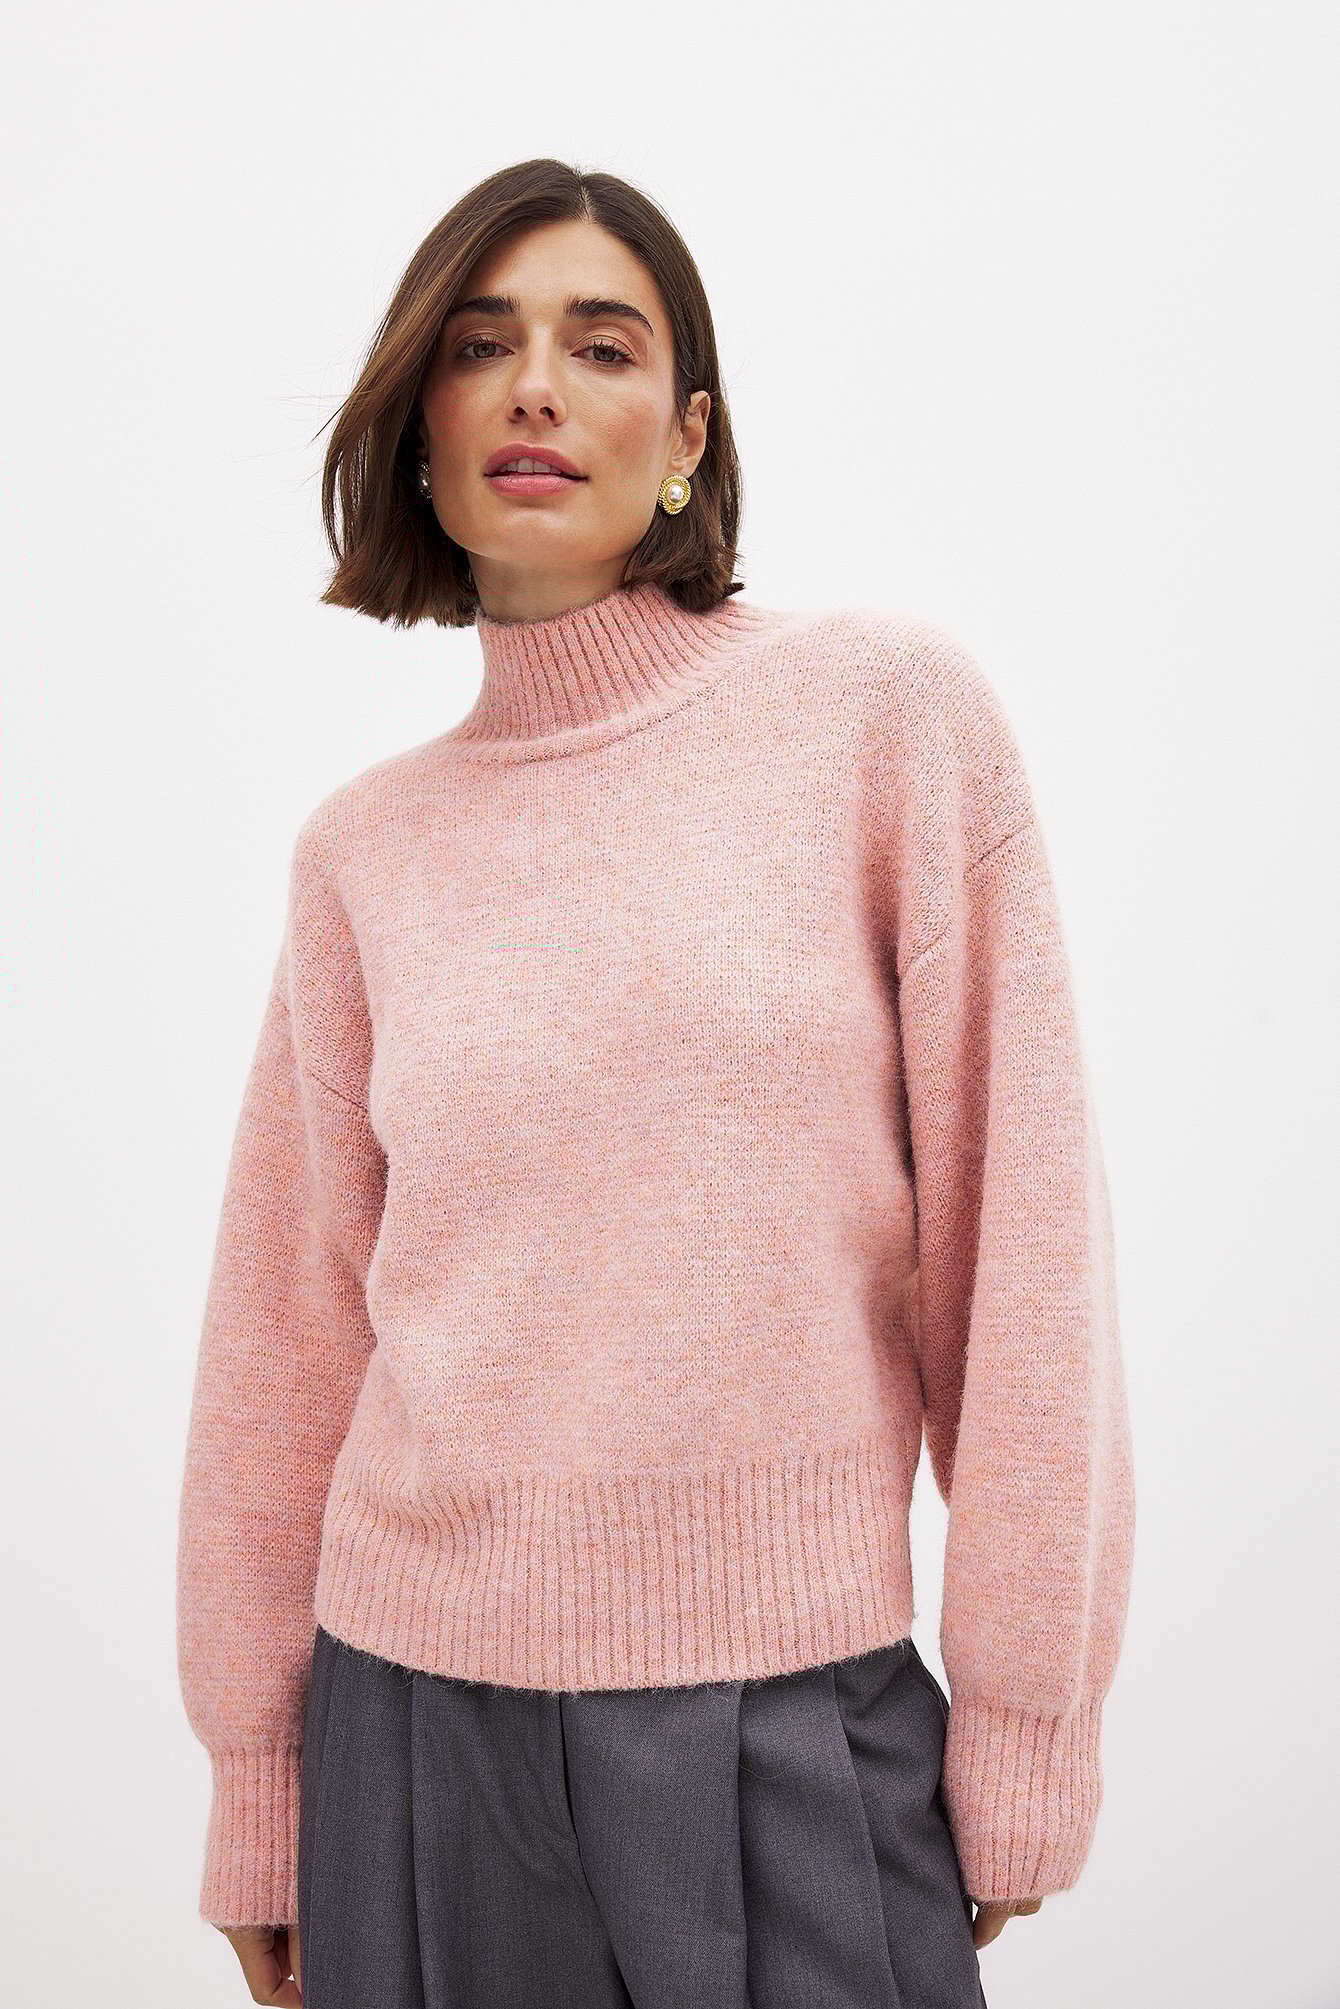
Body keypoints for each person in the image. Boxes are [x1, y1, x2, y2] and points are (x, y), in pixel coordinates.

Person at [175, 155, 1135, 2009]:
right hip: (413, 1743)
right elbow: (285, 1347)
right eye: (480, 347)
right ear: (421, 428)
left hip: (792, 1720)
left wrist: (1028, 1722)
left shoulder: (887, 721)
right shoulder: (363, 852)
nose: (536, 387)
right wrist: (259, 1781)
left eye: (602, 346)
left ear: (690, 436)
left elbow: (1021, 1261)